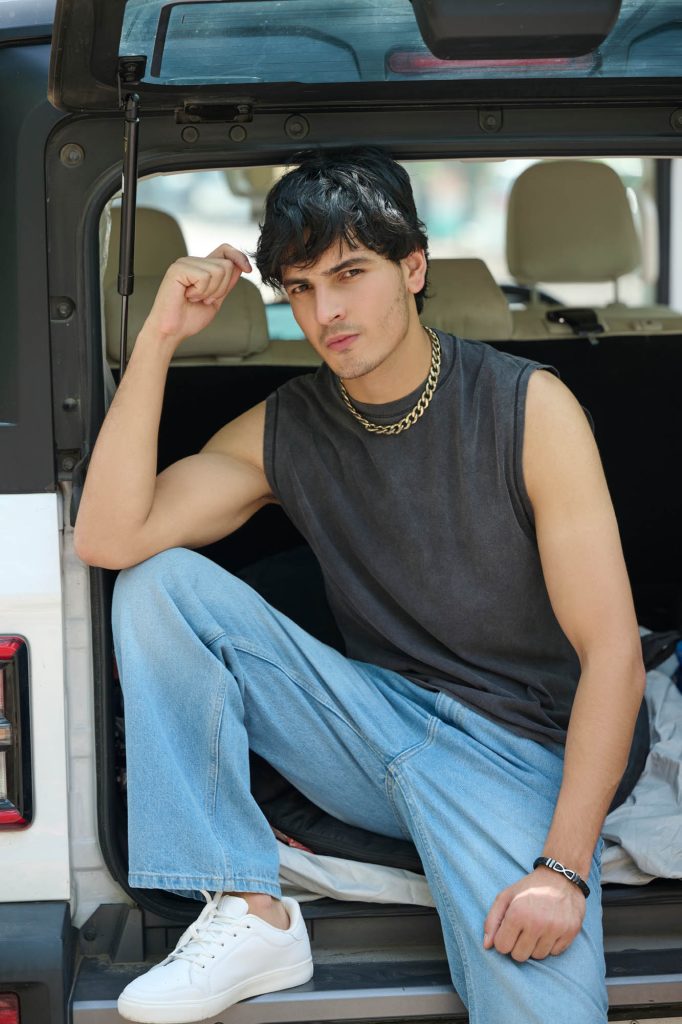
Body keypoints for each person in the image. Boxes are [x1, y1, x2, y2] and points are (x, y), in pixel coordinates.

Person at [75, 148, 646, 1024]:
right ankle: (249, 905)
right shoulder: (290, 425)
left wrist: (563, 867)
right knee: (159, 584)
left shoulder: (529, 408)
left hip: (517, 751)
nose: (327, 312)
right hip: (373, 725)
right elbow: (111, 539)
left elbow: (612, 654)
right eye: (301, 288)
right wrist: (157, 340)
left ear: (413, 267)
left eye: (350, 274)